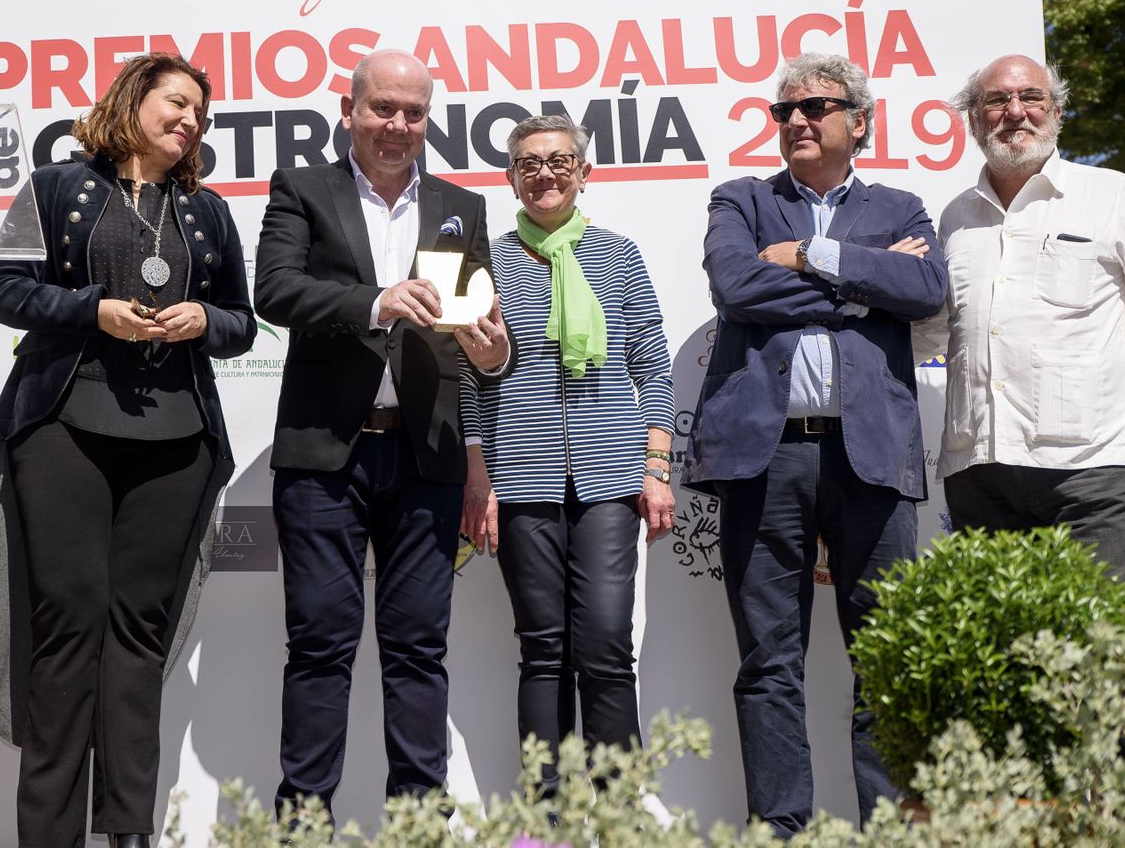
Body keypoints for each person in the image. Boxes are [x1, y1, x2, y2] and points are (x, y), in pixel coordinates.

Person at [0, 53, 256, 848]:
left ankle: (130, 834)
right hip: (64, 427)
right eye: (178, 104)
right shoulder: (52, 186)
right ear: (133, 99)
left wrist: (205, 321)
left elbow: (242, 320)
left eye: (200, 113)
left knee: (139, 637)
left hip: (176, 439)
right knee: (66, 630)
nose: (191, 121)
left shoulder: (206, 210)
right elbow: (2, 290)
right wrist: (94, 310)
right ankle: (50, 836)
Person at [914, 53, 1125, 808]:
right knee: (1009, 663)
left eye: (1029, 98)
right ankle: (1040, 821)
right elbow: (928, 340)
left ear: (1056, 109)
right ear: (973, 119)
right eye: (996, 101)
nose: (1014, 111)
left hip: (1094, 472)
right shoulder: (952, 221)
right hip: (980, 474)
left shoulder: (1113, 198)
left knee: (1122, 658)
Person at [683, 53, 948, 838]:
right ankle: (781, 829)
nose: (797, 120)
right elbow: (735, 287)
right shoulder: (740, 199)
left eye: (818, 107)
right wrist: (868, 288)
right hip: (767, 457)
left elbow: (929, 291)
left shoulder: (901, 205)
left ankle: (890, 830)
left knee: (890, 662)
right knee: (768, 663)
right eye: (784, 111)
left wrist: (811, 257)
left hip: (870, 454)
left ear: (858, 122)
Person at [253, 48, 512, 818]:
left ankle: (419, 827)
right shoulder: (302, 189)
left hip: (425, 456)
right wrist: (376, 301)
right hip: (324, 454)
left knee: (418, 654)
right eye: (383, 108)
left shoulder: (462, 204)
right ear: (350, 111)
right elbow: (274, 289)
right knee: (322, 649)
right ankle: (301, 827)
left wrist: (495, 352)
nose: (398, 125)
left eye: (413, 111)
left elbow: (479, 330)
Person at [459, 114, 676, 799]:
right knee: (544, 650)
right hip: (519, 479)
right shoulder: (482, 262)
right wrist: (477, 476)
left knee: (608, 645)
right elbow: (464, 378)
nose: (544, 173)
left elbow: (655, 367)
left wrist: (657, 466)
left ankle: (618, 812)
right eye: (528, 163)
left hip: (611, 478)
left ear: (584, 172)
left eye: (558, 161)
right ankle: (544, 819)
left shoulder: (618, 256)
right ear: (510, 178)